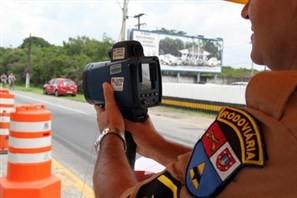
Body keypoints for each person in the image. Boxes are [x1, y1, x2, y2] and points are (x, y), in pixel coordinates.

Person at [93, 0, 297, 197]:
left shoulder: (281, 129)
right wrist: (155, 145)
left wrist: (111, 133)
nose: (245, 12)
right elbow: (236, 178)